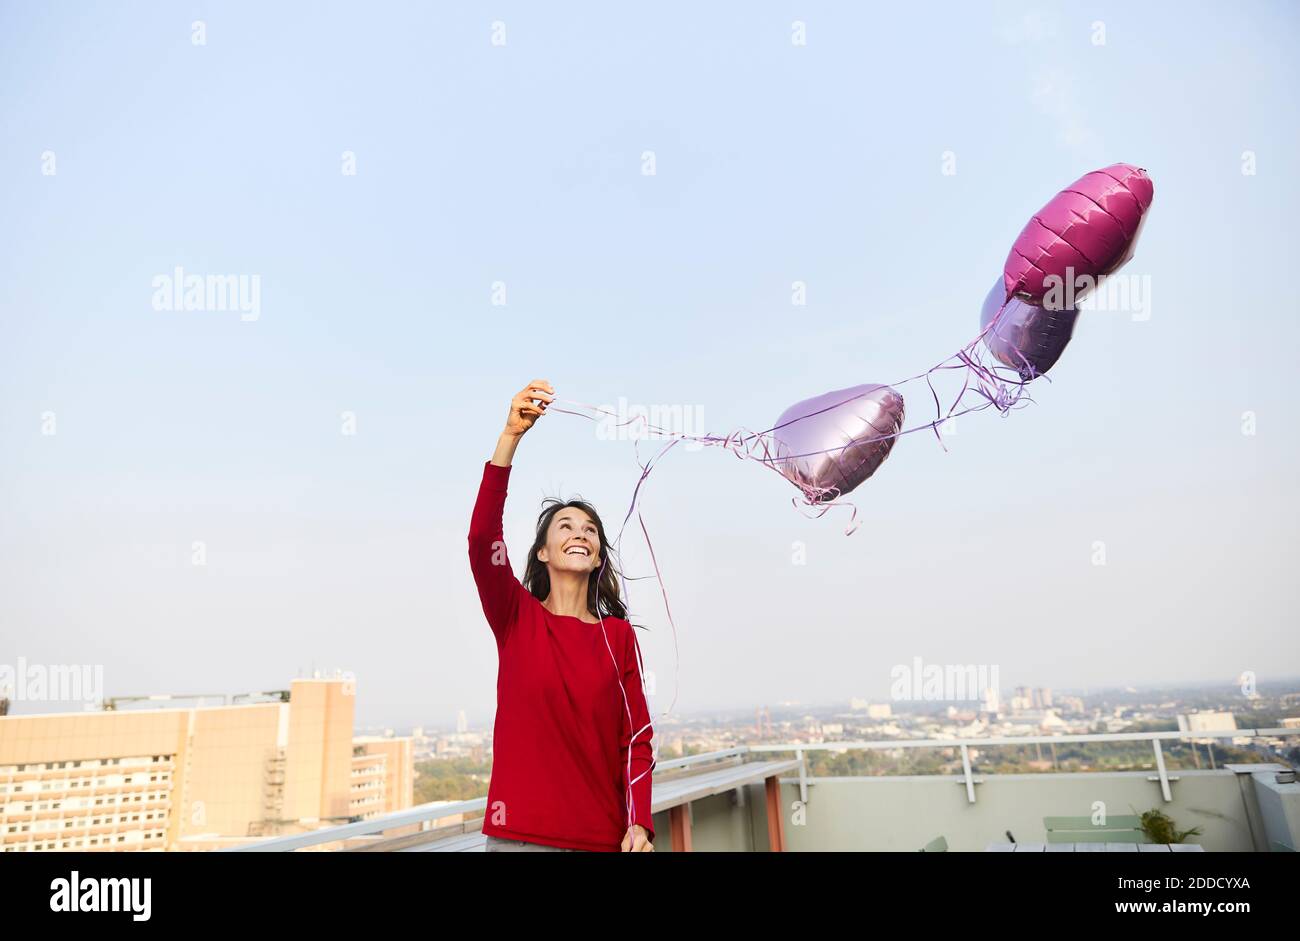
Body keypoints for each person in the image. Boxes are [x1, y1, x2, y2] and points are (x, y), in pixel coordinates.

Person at [469, 378, 656, 853]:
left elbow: (635, 740)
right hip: (518, 839)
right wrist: (510, 437)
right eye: (566, 526)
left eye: (590, 529)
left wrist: (639, 823)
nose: (580, 533)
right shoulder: (515, 618)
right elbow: (481, 540)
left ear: (596, 557)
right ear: (544, 552)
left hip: (602, 839)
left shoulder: (618, 637)